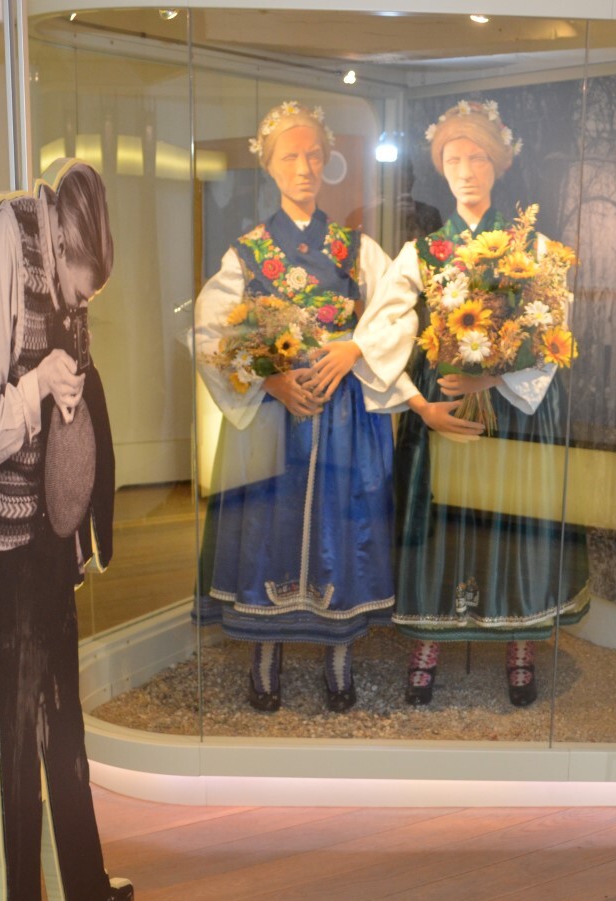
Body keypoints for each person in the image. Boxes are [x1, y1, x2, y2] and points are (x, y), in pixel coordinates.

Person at [0, 161, 132, 901]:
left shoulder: (71, 284)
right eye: (75, 281)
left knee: (67, 738)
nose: (76, 301)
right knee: (19, 761)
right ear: (58, 240)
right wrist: (37, 393)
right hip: (10, 552)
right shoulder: (6, 240)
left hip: (51, 549)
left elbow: (77, 390)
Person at [357, 100, 590, 707]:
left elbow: (554, 330)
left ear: (499, 164)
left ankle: (520, 644)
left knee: (514, 518)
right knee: (442, 522)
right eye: (454, 159)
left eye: (478, 157)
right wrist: (418, 405)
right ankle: (428, 645)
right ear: (441, 167)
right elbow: (379, 331)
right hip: (445, 410)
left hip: (515, 410)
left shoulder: (534, 248)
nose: (465, 171)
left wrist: (492, 379)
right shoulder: (424, 252)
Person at [192, 102, 407, 712]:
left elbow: (396, 313)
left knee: (343, 521)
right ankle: (266, 655)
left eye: (314, 155)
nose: (304, 167)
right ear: (269, 165)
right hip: (274, 417)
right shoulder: (247, 253)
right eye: (290, 156)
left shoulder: (356, 249)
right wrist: (269, 380)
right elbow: (211, 332)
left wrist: (354, 349)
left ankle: (341, 655)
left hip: (343, 414)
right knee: (270, 522)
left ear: (328, 162)